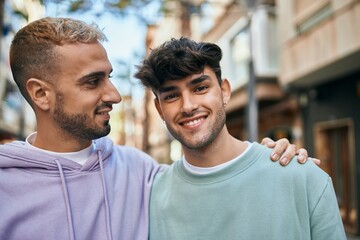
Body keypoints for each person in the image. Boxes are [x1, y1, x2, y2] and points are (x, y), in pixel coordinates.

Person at [0, 17, 311, 240]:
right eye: (93, 81)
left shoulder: (140, 170)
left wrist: (272, 158)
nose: (114, 95)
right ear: (40, 94)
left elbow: (213, 177)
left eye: (110, 77)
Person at [134, 37, 346, 240]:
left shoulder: (303, 178)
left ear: (225, 91)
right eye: (171, 96)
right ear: (159, 109)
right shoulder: (150, 197)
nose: (188, 106)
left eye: (200, 88)